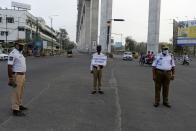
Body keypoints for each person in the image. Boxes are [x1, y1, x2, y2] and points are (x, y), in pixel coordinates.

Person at [8, 42, 28, 116]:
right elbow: (9, 66)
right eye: (21, 45)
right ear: (16, 45)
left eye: (23, 45)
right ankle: (15, 109)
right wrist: (10, 78)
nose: (22, 46)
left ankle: (19, 105)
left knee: (20, 92)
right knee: (16, 93)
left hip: (22, 75)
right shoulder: (13, 53)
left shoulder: (20, 53)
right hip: (17, 76)